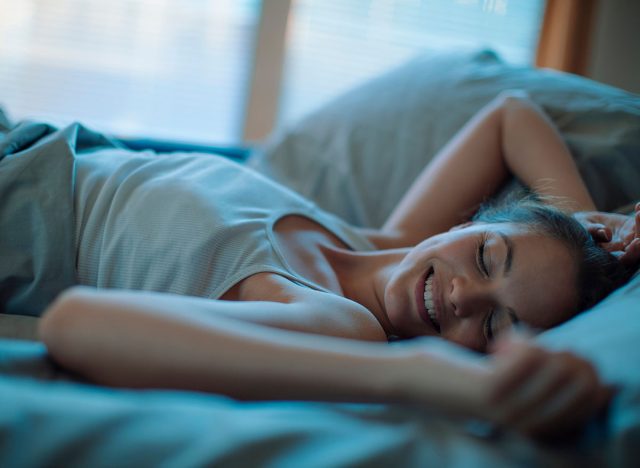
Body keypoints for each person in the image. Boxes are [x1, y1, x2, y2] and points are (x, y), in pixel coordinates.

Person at [38, 92, 638, 439]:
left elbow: (75, 324)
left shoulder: (340, 322)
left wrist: (425, 378)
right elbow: (511, 115)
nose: (465, 298)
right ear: (471, 220)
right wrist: (588, 222)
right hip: (41, 140)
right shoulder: (379, 237)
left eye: (496, 327)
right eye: (488, 255)